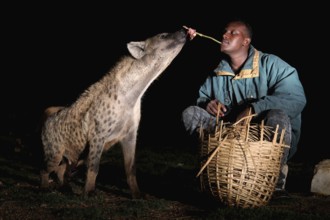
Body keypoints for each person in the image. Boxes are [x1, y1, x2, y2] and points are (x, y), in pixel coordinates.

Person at [182, 20, 307, 195]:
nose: (225, 35)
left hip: (267, 144)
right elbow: (202, 97)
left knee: (277, 115)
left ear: (245, 42)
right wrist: (207, 103)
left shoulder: (272, 65)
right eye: (225, 32)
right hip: (231, 141)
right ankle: (214, 167)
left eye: (233, 33)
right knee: (191, 114)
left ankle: (274, 179)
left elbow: (296, 98)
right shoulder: (218, 73)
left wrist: (254, 109)